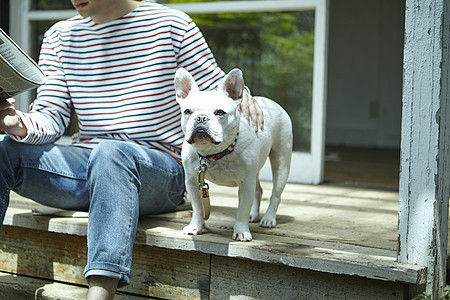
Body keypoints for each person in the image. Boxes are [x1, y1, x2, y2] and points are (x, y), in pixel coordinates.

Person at [0, 0, 263, 299]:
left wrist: (248, 98)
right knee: (4, 150)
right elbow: (52, 115)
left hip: (158, 170)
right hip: (86, 165)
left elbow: (218, 92)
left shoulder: (172, 24)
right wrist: (15, 122)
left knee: (112, 152)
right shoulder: (60, 36)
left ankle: (99, 295)